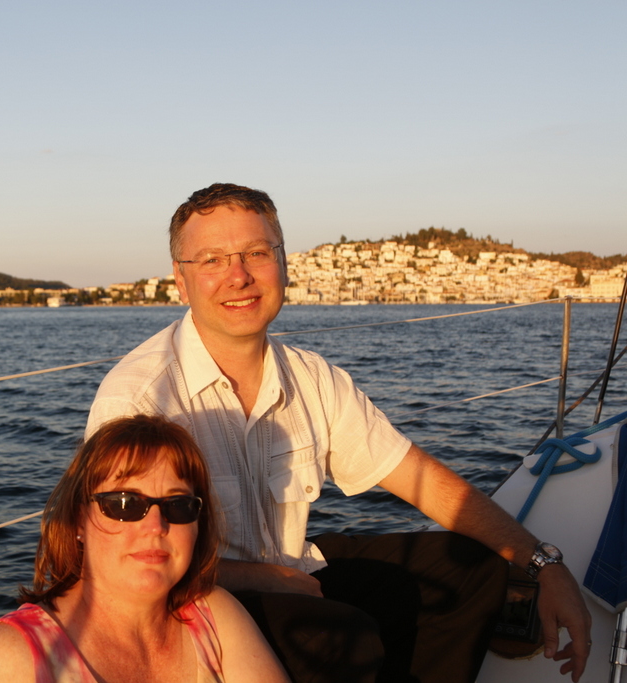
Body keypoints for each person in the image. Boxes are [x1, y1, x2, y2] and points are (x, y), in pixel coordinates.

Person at [86, 183, 593, 683]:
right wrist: (261, 579)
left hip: (288, 569)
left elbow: (420, 479)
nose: (237, 276)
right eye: (212, 260)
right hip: (189, 601)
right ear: (181, 279)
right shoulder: (140, 398)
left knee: (473, 571)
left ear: (283, 264)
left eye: (255, 253)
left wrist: (544, 563)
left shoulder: (312, 378)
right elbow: (117, 564)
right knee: (342, 634)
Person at [0, 414, 290, 683]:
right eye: (124, 504)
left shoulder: (214, 616)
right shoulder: (12, 659)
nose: (155, 526)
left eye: (178, 505)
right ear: (78, 520)